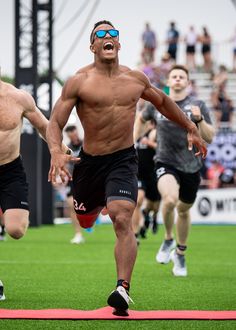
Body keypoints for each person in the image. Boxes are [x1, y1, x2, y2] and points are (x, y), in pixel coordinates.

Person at [46, 21, 207, 316]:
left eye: (113, 34)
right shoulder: (79, 81)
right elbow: (55, 122)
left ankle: (122, 288)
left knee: (122, 217)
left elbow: (162, 102)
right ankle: (94, 209)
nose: (108, 38)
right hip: (89, 163)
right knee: (84, 219)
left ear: (119, 44)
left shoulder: (135, 79)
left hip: (122, 160)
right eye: (101, 35)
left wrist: (190, 128)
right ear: (93, 45)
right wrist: (55, 150)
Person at [135, 65, 214, 277]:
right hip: (164, 161)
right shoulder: (159, 103)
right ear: (168, 82)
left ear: (187, 82)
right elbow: (141, 119)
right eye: (174, 76)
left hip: (191, 166)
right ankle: (168, 238)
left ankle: (180, 252)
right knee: (169, 200)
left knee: (183, 210)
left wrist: (200, 120)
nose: (178, 79)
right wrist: (131, 141)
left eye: (182, 76)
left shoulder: (198, 105)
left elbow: (210, 136)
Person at [0, 76, 70, 300]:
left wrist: (59, 149)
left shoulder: (19, 97)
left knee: (16, 230)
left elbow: (44, 126)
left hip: (10, 171)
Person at [132, 118, 160, 243]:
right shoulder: (137, 136)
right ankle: (135, 234)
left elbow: (163, 149)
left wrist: (150, 143)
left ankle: (150, 217)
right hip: (140, 175)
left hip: (154, 175)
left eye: (146, 123)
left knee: (155, 206)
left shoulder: (155, 134)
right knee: (138, 201)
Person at [64, 125, 85, 244]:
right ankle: (78, 234)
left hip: (87, 179)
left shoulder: (86, 144)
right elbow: (64, 162)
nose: (73, 135)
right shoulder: (67, 148)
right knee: (71, 205)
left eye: (74, 132)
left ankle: (89, 220)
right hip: (72, 179)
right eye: (70, 133)